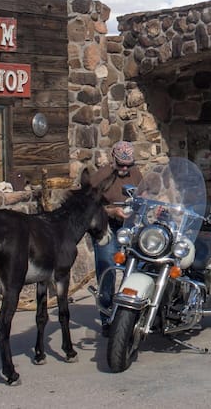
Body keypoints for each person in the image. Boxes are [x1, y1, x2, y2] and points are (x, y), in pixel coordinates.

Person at [89, 140, 143, 336]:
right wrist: (112, 211)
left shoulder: (136, 173)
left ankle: (128, 313)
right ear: (113, 159)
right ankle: (106, 316)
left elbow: (145, 194)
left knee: (136, 268)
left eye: (129, 164)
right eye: (121, 164)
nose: (125, 168)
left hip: (131, 226)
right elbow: (90, 207)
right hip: (107, 226)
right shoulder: (100, 177)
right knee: (107, 269)